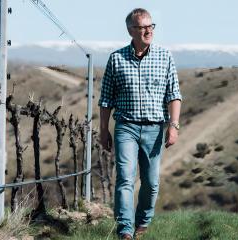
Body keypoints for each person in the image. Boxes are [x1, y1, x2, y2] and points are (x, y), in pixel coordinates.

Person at [98, 8, 182, 240]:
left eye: (150, 26)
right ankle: (125, 230)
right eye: (142, 27)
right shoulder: (116, 59)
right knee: (125, 177)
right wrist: (103, 130)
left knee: (151, 183)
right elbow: (106, 99)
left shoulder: (165, 57)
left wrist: (173, 126)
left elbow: (173, 94)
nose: (147, 31)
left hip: (155, 128)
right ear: (130, 30)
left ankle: (142, 223)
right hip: (126, 126)